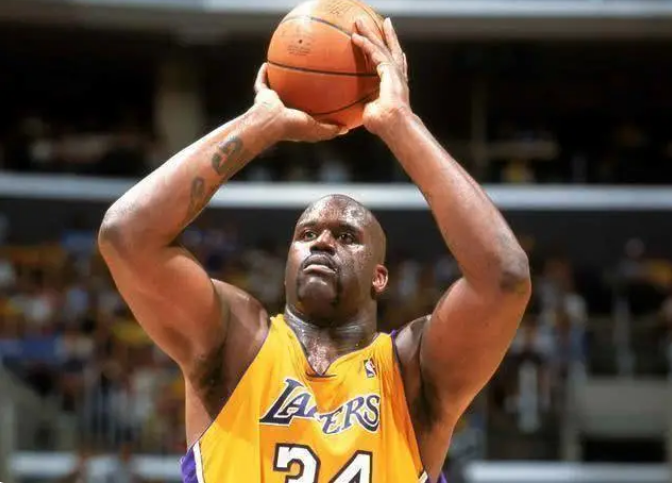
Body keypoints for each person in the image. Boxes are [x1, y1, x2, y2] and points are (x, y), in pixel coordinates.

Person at [98, 18, 531, 483]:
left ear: (379, 276)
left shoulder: (410, 373)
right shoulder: (238, 343)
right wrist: (259, 125)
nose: (322, 241)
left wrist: (400, 124)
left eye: (346, 237)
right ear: (286, 261)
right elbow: (126, 234)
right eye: (306, 234)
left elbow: (504, 278)